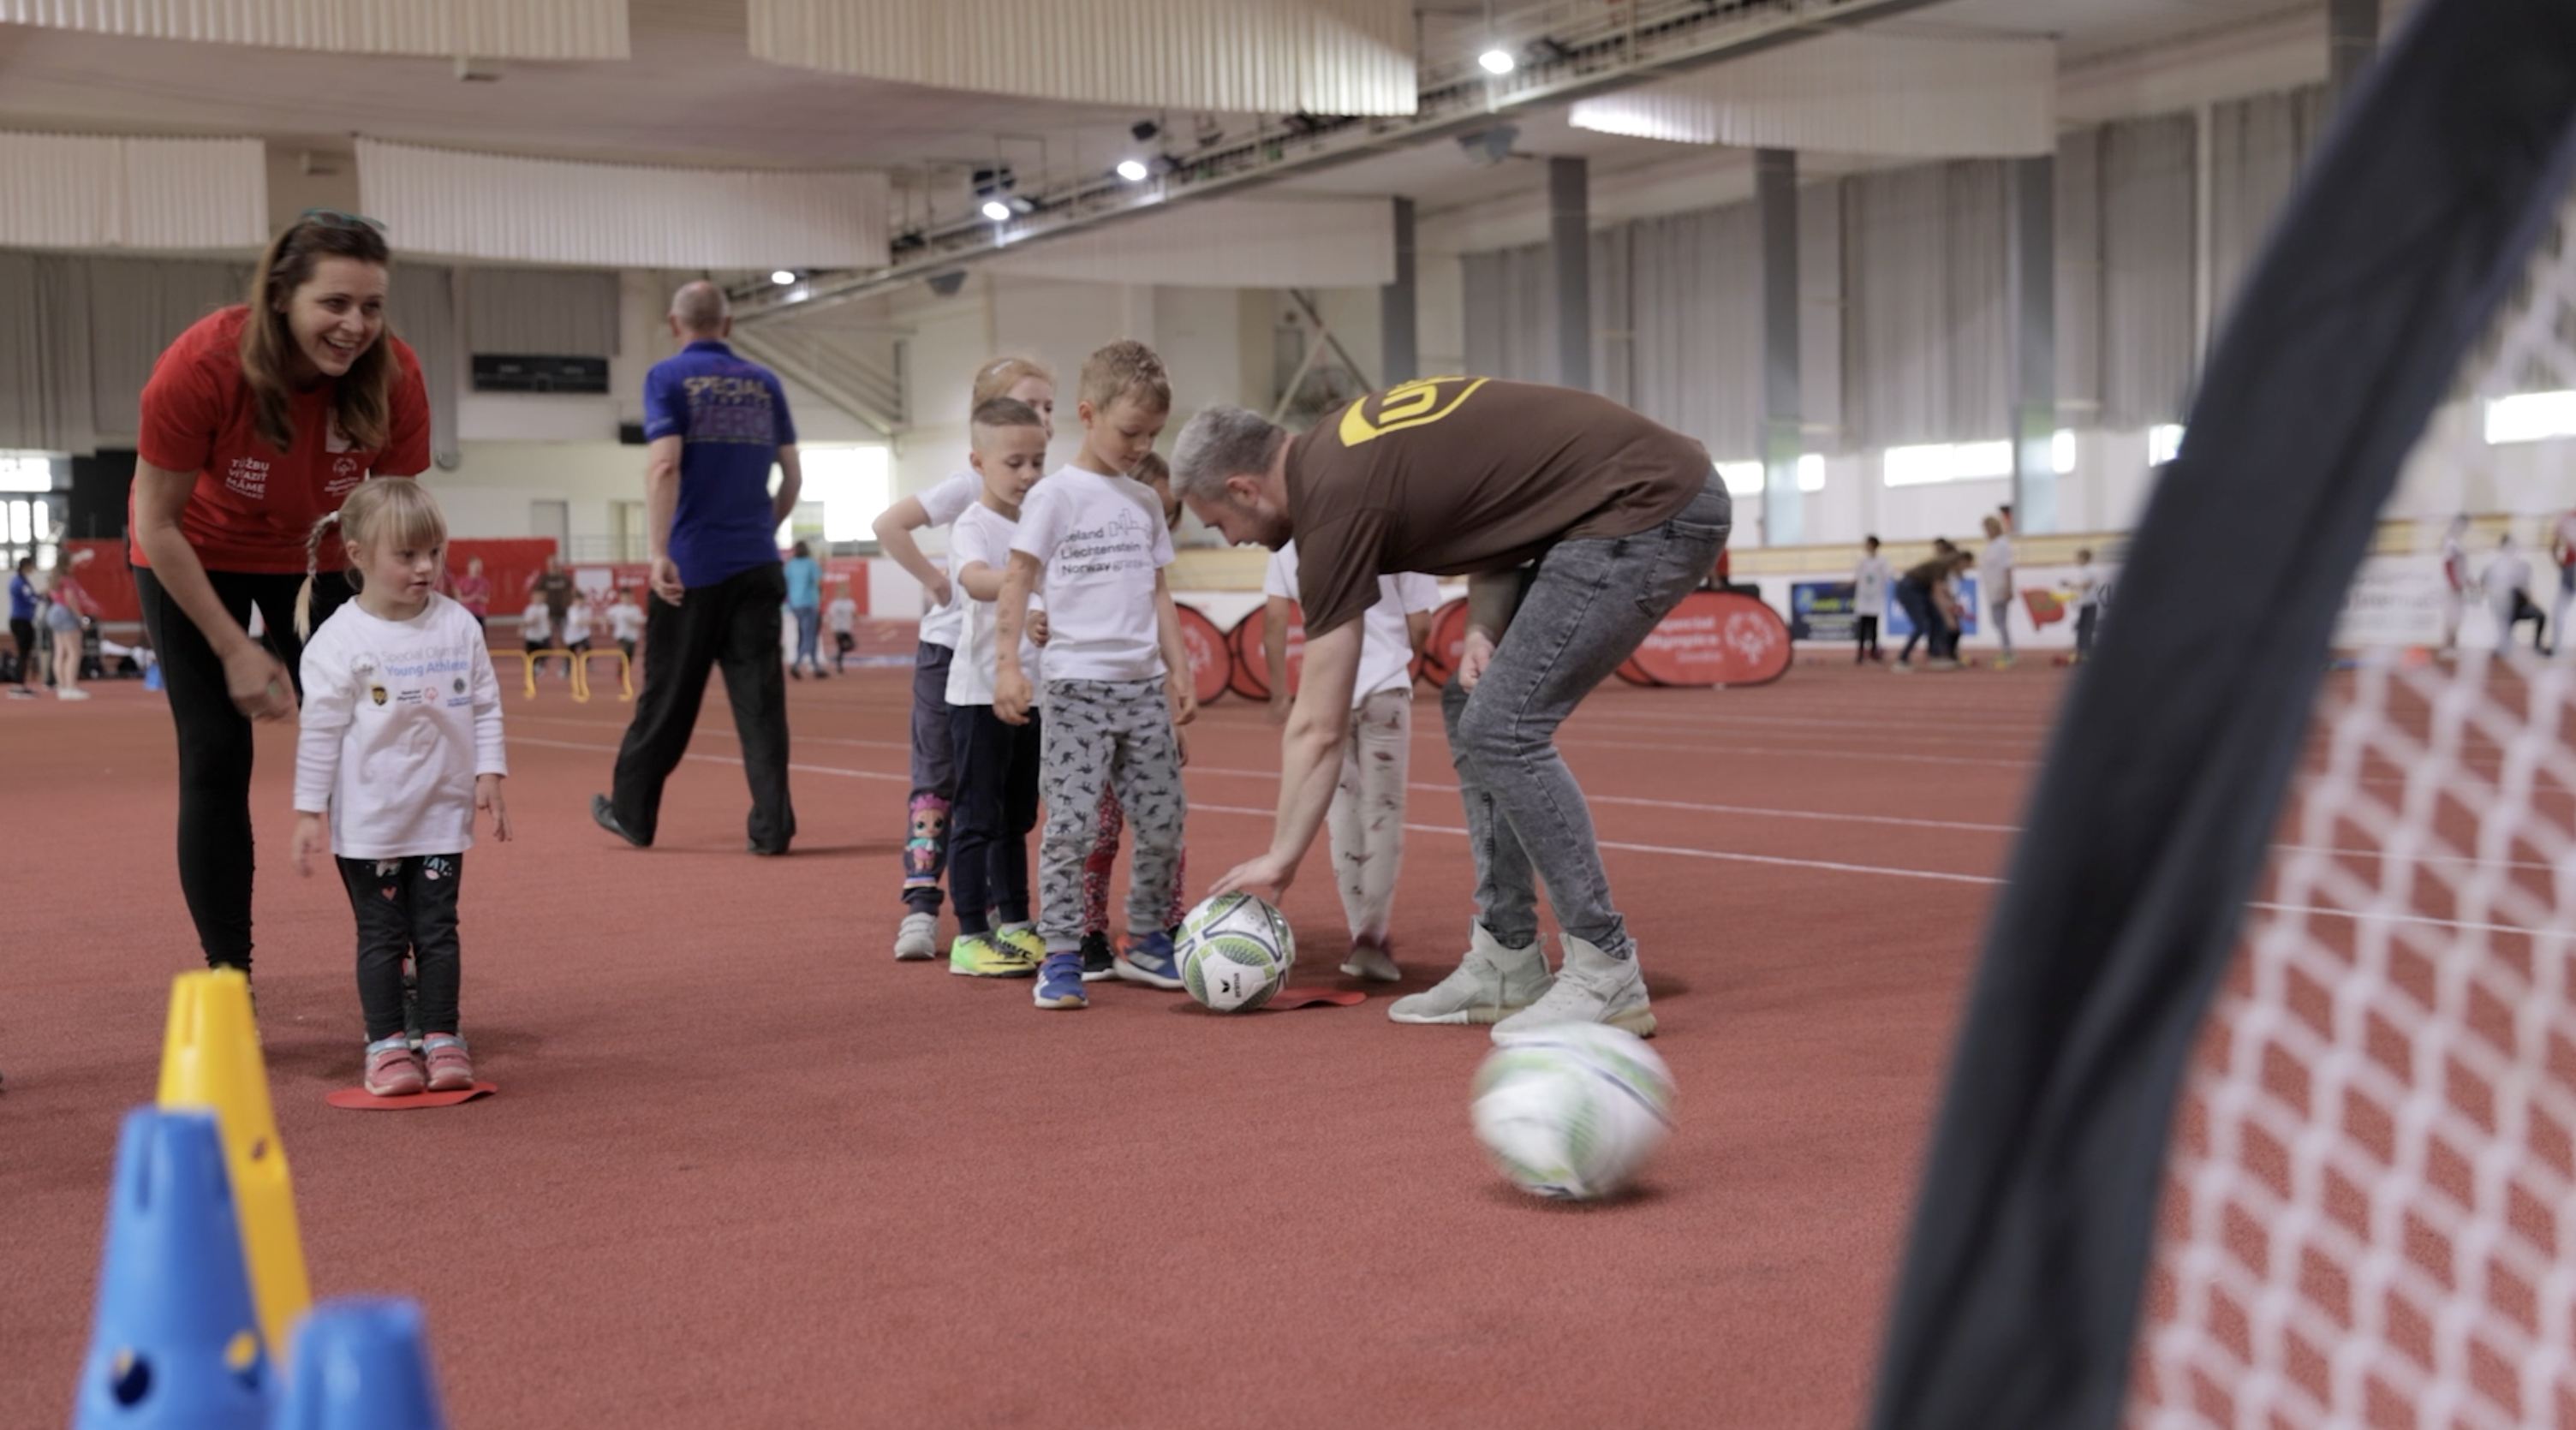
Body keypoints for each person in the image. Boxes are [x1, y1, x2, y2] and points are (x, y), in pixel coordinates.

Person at [1173, 377, 1729, 1038]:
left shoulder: (1331, 506)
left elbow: (1321, 723)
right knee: (1476, 703)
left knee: (1503, 728)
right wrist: (1483, 627)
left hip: (1648, 505)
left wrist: (1280, 857)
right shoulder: (1342, 448)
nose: (1230, 539)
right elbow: (1502, 509)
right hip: (1611, 504)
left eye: (1219, 524)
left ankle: (1605, 967)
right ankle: (1507, 957)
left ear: (1243, 487)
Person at [128, 212, 431, 979]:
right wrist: (235, 648)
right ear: (280, 296)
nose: (354, 325)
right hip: (195, 551)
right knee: (216, 753)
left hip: (324, 556)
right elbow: (155, 521)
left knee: (366, 749)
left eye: (371, 306)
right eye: (334, 303)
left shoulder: (395, 374)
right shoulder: (202, 366)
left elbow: (398, 516)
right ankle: (229, 977)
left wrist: (412, 629)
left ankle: (388, 963)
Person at [286, 479, 509, 1097]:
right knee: (383, 935)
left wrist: (488, 773)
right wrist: (309, 809)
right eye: (407, 555)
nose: (426, 568)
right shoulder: (338, 641)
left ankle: (442, 1036)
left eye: (434, 552)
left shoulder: (458, 626)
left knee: (438, 930)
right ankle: (386, 1045)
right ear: (356, 556)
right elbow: (320, 734)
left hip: (440, 814)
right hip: (370, 823)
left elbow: (485, 706)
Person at [993, 340, 1195, 1011]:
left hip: (1141, 688)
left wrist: (1178, 667)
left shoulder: (1143, 502)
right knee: (1072, 828)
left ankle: (1144, 937)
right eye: (1130, 431)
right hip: (1077, 687)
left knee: (1165, 822)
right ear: (1087, 413)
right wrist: (1007, 668)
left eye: (1153, 435)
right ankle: (1062, 953)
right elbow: (1019, 577)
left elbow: (1159, 591)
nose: (1141, 446)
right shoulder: (1055, 496)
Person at [590, 281, 801, 856]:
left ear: (674, 323)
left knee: (668, 699)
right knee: (761, 703)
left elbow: (664, 468)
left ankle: (633, 812)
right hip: (758, 565)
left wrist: (659, 552)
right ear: (728, 325)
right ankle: (772, 827)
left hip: (693, 569)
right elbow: (793, 479)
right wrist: (765, 527)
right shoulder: (766, 383)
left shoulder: (666, 378)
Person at [874, 355, 1057, 962]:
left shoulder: (1041, 494)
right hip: (956, 657)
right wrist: (939, 581)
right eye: (1030, 407)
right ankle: (926, 908)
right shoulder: (969, 490)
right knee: (942, 787)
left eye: (1048, 410)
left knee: (1008, 804)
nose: (1043, 421)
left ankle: (1009, 917)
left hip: (1014, 663)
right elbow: (891, 524)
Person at [1262, 536, 1439, 982]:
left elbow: (1275, 618)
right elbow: (1420, 623)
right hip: (1386, 689)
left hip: (1326, 688)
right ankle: (1372, 939)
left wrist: (1279, 692)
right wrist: (1395, 659)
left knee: (1342, 811)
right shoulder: (1399, 533)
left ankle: (1358, 926)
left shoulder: (1293, 539)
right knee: (1383, 813)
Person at [942, 397, 1052, 979]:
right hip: (979, 696)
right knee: (977, 816)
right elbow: (975, 581)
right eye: (1015, 463)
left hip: (1029, 697)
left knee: (1016, 817)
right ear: (978, 462)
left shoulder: (1041, 519)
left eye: (1038, 461)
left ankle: (1015, 922)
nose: (1029, 475)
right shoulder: (974, 524)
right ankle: (968, 935)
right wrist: (1025, 587)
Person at [1076, 451, 1191, 980]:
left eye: (1170, 514)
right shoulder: (1092, 553)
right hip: (1092, 704)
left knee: (1164, 822)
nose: (1162, 523)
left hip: (1146, 706)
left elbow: (1160, 636)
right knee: (1098, 832)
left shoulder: (1156, 568)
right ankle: (1087, 931)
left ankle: (1165, 924)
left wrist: (1172, 706)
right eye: (1156, 510)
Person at [45, 553, 104, 700]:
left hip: (54, 612)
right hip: (65, 613)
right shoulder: (67, 580)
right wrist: (81, 618)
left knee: (60, 652)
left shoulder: (54, 579)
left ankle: (62, 686)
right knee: (74, 652)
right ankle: (70, 687)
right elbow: (70, 599)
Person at [1891, 545, 1959, 670]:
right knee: (1922, 625)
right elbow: (1937, 592)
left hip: (1920, 591)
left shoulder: (1940, 567)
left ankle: (1934, 655)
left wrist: (1951, 601)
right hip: (1909, 590)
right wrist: (1949, 617)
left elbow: (1941, 589)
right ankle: (1902, 659)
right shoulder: (1941, 566)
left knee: (1937, 620)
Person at [2484, 533, 2546, 655]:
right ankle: (2504, 643)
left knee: (2541, 616)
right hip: (2504, 608)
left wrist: (2534, 602)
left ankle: (2537, 646)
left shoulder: (2523, 566)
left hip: (2521, 607)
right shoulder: (2494, 567)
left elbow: (2526, 588)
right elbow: (2485, 587)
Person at [784, 539, 826, 680]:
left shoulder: (790, 564)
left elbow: (786, 581)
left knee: (807, 633)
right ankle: (796, 664)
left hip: (795, 604)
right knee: (809, 635)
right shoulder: (810, 563)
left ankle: (816, 666)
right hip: (809, 603)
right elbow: (819, 581)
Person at [1982, 514, 2016, 670]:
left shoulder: (2002, 544)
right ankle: (2006, 649)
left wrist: (2009, 587)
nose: (1986, 531)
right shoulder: (1992, 544)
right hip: (1991, 587)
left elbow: (2007, 566)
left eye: (1988, 528)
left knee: (2000, 620)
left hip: (2000, 587)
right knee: (1997, 621)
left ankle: (2007, 651)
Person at [1852, 535, 1892, 664]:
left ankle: (1874, 651)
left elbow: (1889, 574)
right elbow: (1857, 576)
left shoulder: (1882, 561)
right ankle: (1860, 653)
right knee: (1862, 627)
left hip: (1875, 596)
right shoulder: (1862, 561)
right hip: (1864, 597)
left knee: (1874, 626)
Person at [528, 555, 574, 661]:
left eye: (555, 562)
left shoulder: (565, 578)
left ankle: (567, 662)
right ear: (548, 564)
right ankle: (541, 661)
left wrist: (569, 605)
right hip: (549, 614)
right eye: (551, 563)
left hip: (563, 612)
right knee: (545, 638)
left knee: (566, 638)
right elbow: (538, 593)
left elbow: (571, 592)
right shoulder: (544, 579)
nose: (553, 565)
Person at [9, 555, 39, 695]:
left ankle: (20, 683)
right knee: (22, 654)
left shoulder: (23, 581)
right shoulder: (19, 582)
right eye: (31, 566)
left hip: (24, 620)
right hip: (21, 621)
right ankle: (18, 685)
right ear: (26, 566)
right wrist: (42, 596)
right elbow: (30, 598)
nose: (33, 569)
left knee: (25, 654)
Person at [2441, 514, 2470, 654]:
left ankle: (2453, 645)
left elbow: (2460, 565)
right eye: (2463, 524)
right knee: (2452, 615)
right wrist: (2454, 582)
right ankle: (2448, 646)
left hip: (2459, 584)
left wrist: (2467, 579)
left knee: (2457, 616)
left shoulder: (2458, 543)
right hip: (2453, 586)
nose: (2465, 528)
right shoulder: (2450, 542)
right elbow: (2448, 563)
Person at [2070, 547, 2104, 663]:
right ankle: (2081, 648)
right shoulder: (2083, 570)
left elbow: (2087, 584)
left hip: (2089, 602)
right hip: (2084, 602)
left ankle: (2086, 649)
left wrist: (2073, 586)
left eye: (2078, 557)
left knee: (2087, 626)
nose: (2076, 559)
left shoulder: (2089, 570)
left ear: (2084, 558)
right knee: (2082, 626)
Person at [451, 555, 492, 632]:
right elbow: (459, 598)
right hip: (466, 614)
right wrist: (473, 597)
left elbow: (487, 599)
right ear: (469, 566)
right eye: (475, 566)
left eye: (479, 566)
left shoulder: (485, 582)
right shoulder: (461, 581)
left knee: (480, 637)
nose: (477, 568)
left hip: (480, 614)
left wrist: (480, 598)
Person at [824, 581, 857, 673]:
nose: (845, 593)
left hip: (846, 628)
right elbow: (830, 616)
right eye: (843, 591)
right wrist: (830, 627)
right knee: (841, 646)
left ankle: (836, 655)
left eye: (846, 591)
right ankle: (839, 667)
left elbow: (853, 614)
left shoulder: (851, 603)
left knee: (852, 645)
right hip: (837, 628)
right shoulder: (835, 603)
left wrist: (857, 617)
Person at [606, 586, 645, 662]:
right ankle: (621, 665)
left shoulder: (636, 609)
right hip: (621, 635)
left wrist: (631, 622)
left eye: (629, 597)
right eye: (625, 597)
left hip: (632, 636)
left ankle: (623, 670)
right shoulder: (616, 609)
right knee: (625, 649)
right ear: (621, 598)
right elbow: (607, 617)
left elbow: (640, 621)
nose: (627, 599)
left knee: (629, 656)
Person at [520, 596, 553, 674]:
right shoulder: (530, 609)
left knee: (546, 651)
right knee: (530, 655)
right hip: (532, 636)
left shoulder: (545, 608)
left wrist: (549, 628)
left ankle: (541, 664)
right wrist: (524, 627)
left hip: (543, 635)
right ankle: (533, 669)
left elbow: (547, 618)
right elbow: (526, 621)